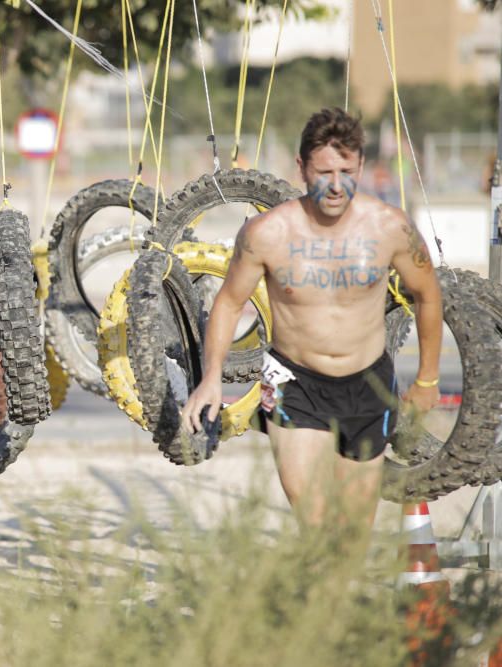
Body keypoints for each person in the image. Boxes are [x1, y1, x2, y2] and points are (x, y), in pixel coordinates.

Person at [180, 108, 443, 533]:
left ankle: (330, 599)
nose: (336, 185)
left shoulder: (391, 228)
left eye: (346, 170)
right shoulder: (266, 234)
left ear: (361, 165)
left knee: (352, 535)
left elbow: (428, 296)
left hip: (368, 385)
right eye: (324, 172)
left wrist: (428, 379)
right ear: (301, 168)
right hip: (294, 384)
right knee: (318, 523)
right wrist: (212, 378)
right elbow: (228, 303)